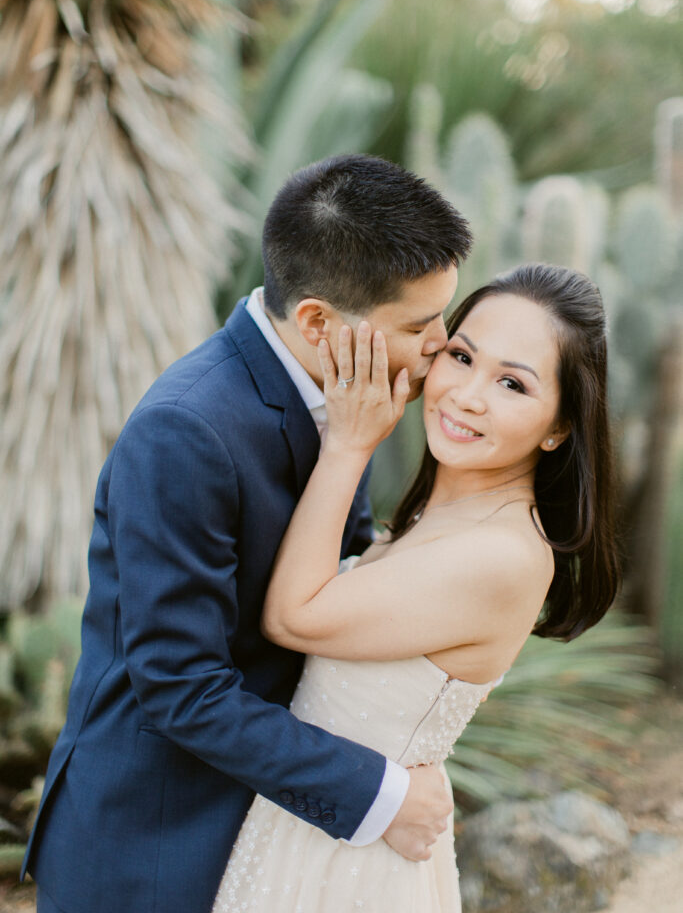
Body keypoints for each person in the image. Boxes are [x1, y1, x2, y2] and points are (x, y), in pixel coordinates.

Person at [22, 154, 473, 913]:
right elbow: (179, 686)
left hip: (269, 823)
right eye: (418, 325)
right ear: (318, 323)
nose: (439, 344)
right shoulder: (186, 431)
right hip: (156, 841)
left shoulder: (346, 393)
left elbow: (334, 588)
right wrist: (379, 793)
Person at [212, 262, 620, 913]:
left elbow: (293, 617)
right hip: (321, 823)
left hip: (348, 865)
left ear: (557, 427)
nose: (465, 395)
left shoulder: (500, 554)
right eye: (461, 356)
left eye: (512, 383)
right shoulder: (449, 512)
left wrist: (348, 444)